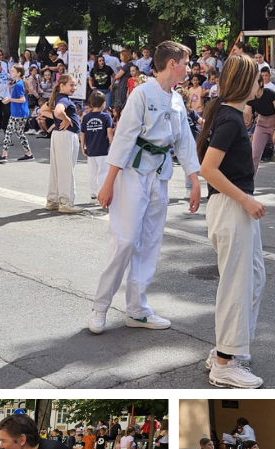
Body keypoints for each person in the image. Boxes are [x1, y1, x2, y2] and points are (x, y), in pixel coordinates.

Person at [87, 41, 201, 335]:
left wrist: (194, 180)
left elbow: (185, 142)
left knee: (150, 243)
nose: (188, 68)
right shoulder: (141, 93)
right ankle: (100, 306)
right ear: (172, 64)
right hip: (132, 173)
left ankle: (137, 309)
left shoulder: (176, 100)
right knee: (124, 240)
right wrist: (108, 183)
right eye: (186, 63)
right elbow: (124, 138)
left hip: (159, 175)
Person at [196, 53, 265, 388]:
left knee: (252, 278)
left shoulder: (228, 114)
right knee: (238, 284)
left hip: (231, 207)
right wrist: (246, 199)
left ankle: (231, 352)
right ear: (243, 83)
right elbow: (208, 169)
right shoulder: (230, 119)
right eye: (256, 79)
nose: (260, 83)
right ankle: (225, 360)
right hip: (231, 208)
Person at [246, 67, 275, 192]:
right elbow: (248, 115)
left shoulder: (270, 94)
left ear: (260, 84)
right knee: (254, 155)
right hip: (261, 123)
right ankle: (249, 183)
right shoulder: (251, 98)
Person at [46, 74, 84, 214]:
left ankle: (53, 200)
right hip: (67, 135)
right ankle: (66, 202)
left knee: (56, 168)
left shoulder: (59, 98)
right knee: (66, 168)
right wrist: (67, 119)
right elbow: (58, 111)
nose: (74, 88)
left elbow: (46, 110)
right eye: (71, 85)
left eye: (74, 85)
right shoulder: (64, 99)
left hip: (58, 134)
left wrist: (60, 119)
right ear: (62, 85)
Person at [80, 91, 114, 199]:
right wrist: (113, 145)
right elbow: (109, 133)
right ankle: (101, 192)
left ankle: (93, 192)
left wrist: (83, 147)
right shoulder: (106, 117)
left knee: (92, 172)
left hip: (90, 149)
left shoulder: (86, 117)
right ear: (103, 103)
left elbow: (82, 133)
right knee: (103, 172)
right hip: (103, 149)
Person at [0, 64, 35, 162]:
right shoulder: (19, 83)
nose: (11, 72)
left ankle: (4, 155)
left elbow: (22, 99)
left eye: (13, 71)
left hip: (18, 113)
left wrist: (10, 99)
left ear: (19, 73)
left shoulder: (18, 84)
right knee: (19, 133)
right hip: (21, 112)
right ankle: (28, 153)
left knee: (8, 132)